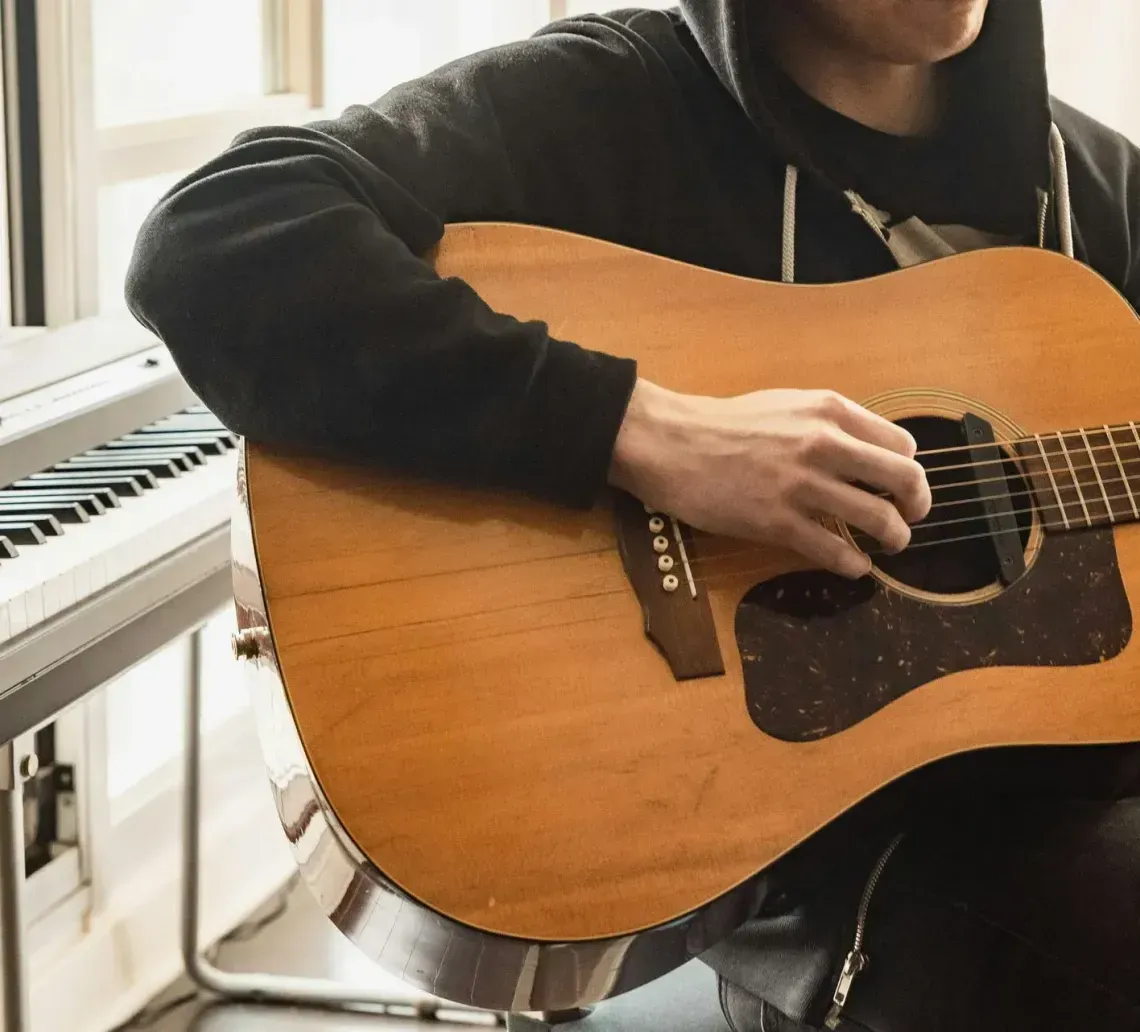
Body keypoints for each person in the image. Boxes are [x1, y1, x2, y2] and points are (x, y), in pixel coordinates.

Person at [126, 1, 1140, 1028]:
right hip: (833, 888)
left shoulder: (1100, 190)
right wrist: (646, 433)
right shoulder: (614, 102)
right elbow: (213, 239)